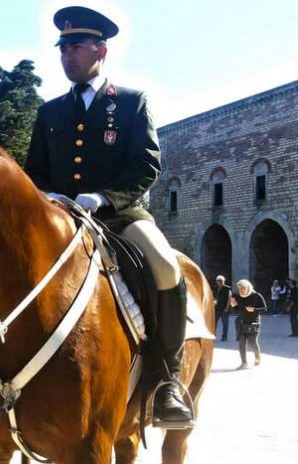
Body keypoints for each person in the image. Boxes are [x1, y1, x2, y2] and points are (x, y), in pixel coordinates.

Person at [24, 6, 192, 428]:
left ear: (100, 50)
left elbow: (146, 165)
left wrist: (103, 197)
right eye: (62, 48)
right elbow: (34, 172)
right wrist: (48, 195)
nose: (67, 56)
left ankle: (167, 380)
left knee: (167, 268)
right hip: (60, 216)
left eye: (75, 47)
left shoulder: (132, 102)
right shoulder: (49, 114)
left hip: (119, 216)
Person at [230, 280, 266, 369]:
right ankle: (244, 363)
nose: (241, 290)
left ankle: (257, 357)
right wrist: (233, 305)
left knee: (252, 342)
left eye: (243, 288)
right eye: (239, 288)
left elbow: (264, 308)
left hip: (253, 322)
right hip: (241, 322)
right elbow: (236, 311)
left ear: (248, 287)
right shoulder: (237, 296)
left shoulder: (256, 295)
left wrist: (254, 309)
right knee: (241, 343)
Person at [214, 275, 232, 341]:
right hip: (217, 308)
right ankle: (213, 335)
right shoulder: (216, 288)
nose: (219, 282)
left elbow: (229, 299)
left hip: (224, 309)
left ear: (223, 281)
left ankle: (224, 337)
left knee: (225, 324)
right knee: (214, 323)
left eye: (221, 281)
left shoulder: (227, 288)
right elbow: (216, 297)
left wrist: (227, 308)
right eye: (218, 281)